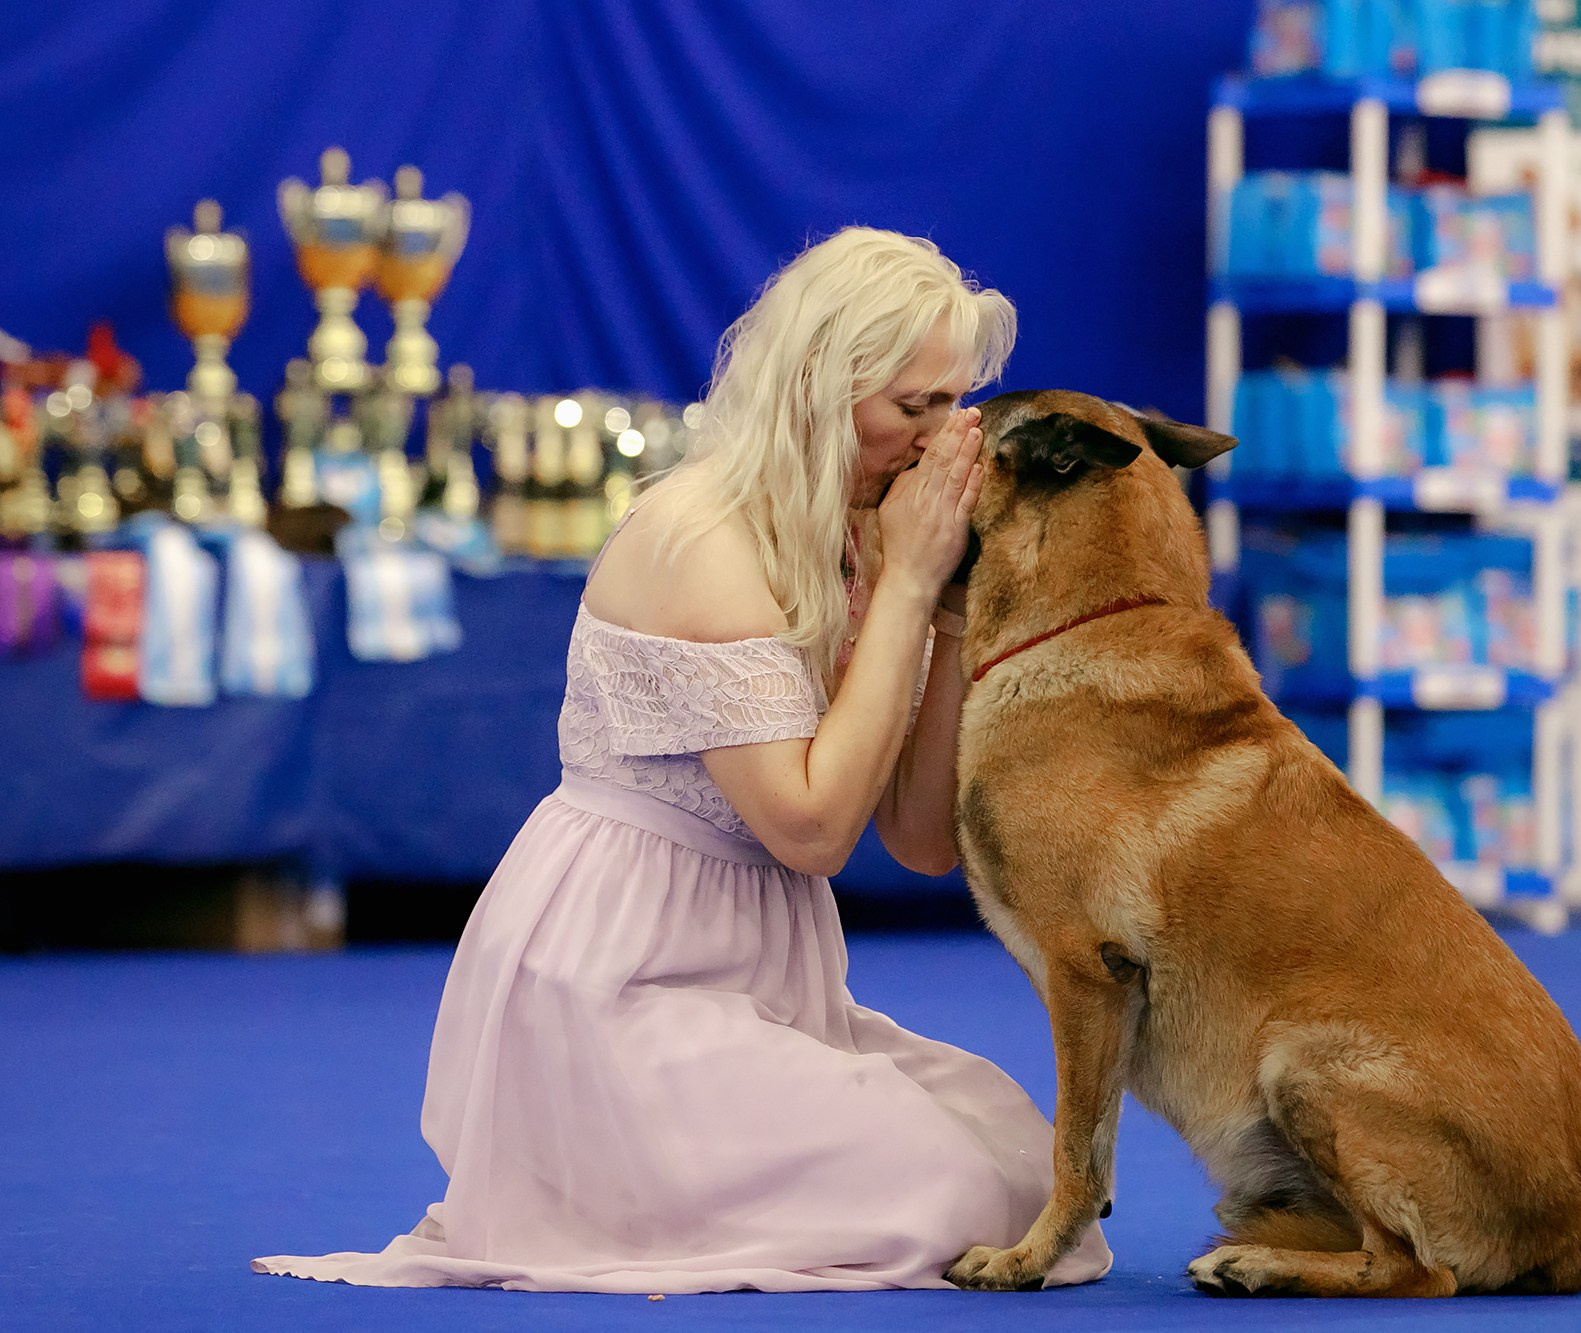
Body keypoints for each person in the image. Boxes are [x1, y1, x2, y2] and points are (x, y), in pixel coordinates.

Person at [254, 228, 1112, 1294]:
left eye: (956, 405)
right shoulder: (704, 539)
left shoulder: (864, 530)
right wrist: (903, 589)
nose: (945, 443)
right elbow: (811, 831)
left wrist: (940, 606)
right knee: (950, 1196)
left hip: (756, 979)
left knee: (1028, 1179)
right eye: (913, 407)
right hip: (619, 987)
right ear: (819, 383)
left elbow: (921, 841)